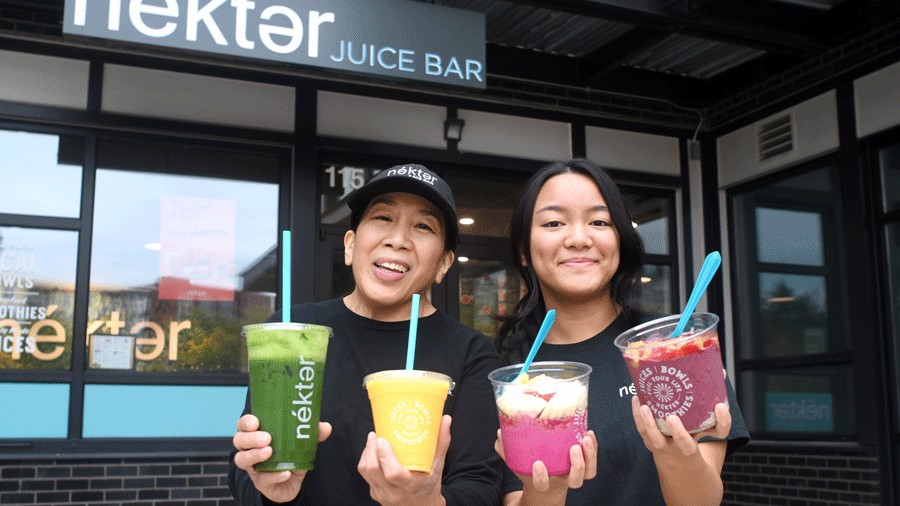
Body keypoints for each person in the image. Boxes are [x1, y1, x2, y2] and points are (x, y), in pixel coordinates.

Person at [228, 164, 502, 505]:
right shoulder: (290, 330)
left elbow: (483, 486)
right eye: (383, 217)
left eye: (423, 226)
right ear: (350, 244)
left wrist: (427, 503)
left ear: (443, 265)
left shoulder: (471, 352)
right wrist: (270, 490)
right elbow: (244, 470)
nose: (398, 239)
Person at [494, 158, 749, 505]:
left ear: (620, 241)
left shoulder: (676, 352)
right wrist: (549, 491)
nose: (579, 238)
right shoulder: (514, 383)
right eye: (554, 222)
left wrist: (675, 455)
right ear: (524, 250)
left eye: (599, 221)